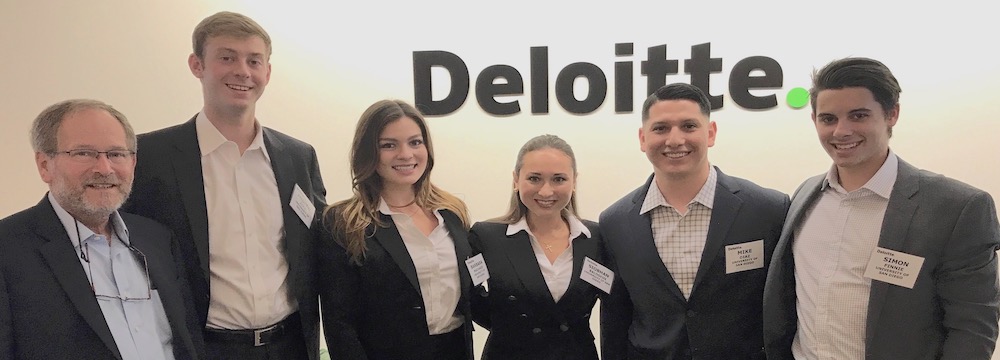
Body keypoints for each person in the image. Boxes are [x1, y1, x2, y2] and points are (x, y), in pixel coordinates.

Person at [762, 57, 1000, 359]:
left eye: (858, 116)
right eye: (828, 119)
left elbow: (973, 329)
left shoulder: (957, 208)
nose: (841, 131)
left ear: (892, 114)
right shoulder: (805, 195)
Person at [122, 11, 327, 360]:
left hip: (291, 346)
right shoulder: (149, 158)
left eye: (254, 60)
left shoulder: (298, 157)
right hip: (201, 348)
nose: (242, 71)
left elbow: (318, 243)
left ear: (268, 72)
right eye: (227, 57)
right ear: (197, 65)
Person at [0, 99, 202, 359]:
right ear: (44, 165)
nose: (104, 169)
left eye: (116, 154)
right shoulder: (8, 249)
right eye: (84, 153)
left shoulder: (158, 240)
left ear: (133, 162)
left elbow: (186, 341)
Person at [600, 83, 790, 359]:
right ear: (642, 138)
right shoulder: (615, 223)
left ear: (710, 133)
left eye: (689, 126)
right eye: (661, 128)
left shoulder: (767, 210)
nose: (675, 140)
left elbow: (784, 306)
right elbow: (615, 318)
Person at [318, 99, 474, 360]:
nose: (406, 154)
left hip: (455, 351)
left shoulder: (452, 212)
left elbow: (473, 293)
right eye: (389, 145)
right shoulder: (344, 222)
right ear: (368, 152)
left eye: (415, 142)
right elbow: (340, 324)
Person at [469, 134, 603, 360]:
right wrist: (511, 327)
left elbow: (616, 300)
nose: (546, 191)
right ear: (515, 180)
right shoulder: (486, 237)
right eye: (534, 178)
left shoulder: (596, 238)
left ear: (574, 182)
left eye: (559, 179)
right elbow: (470, 296)